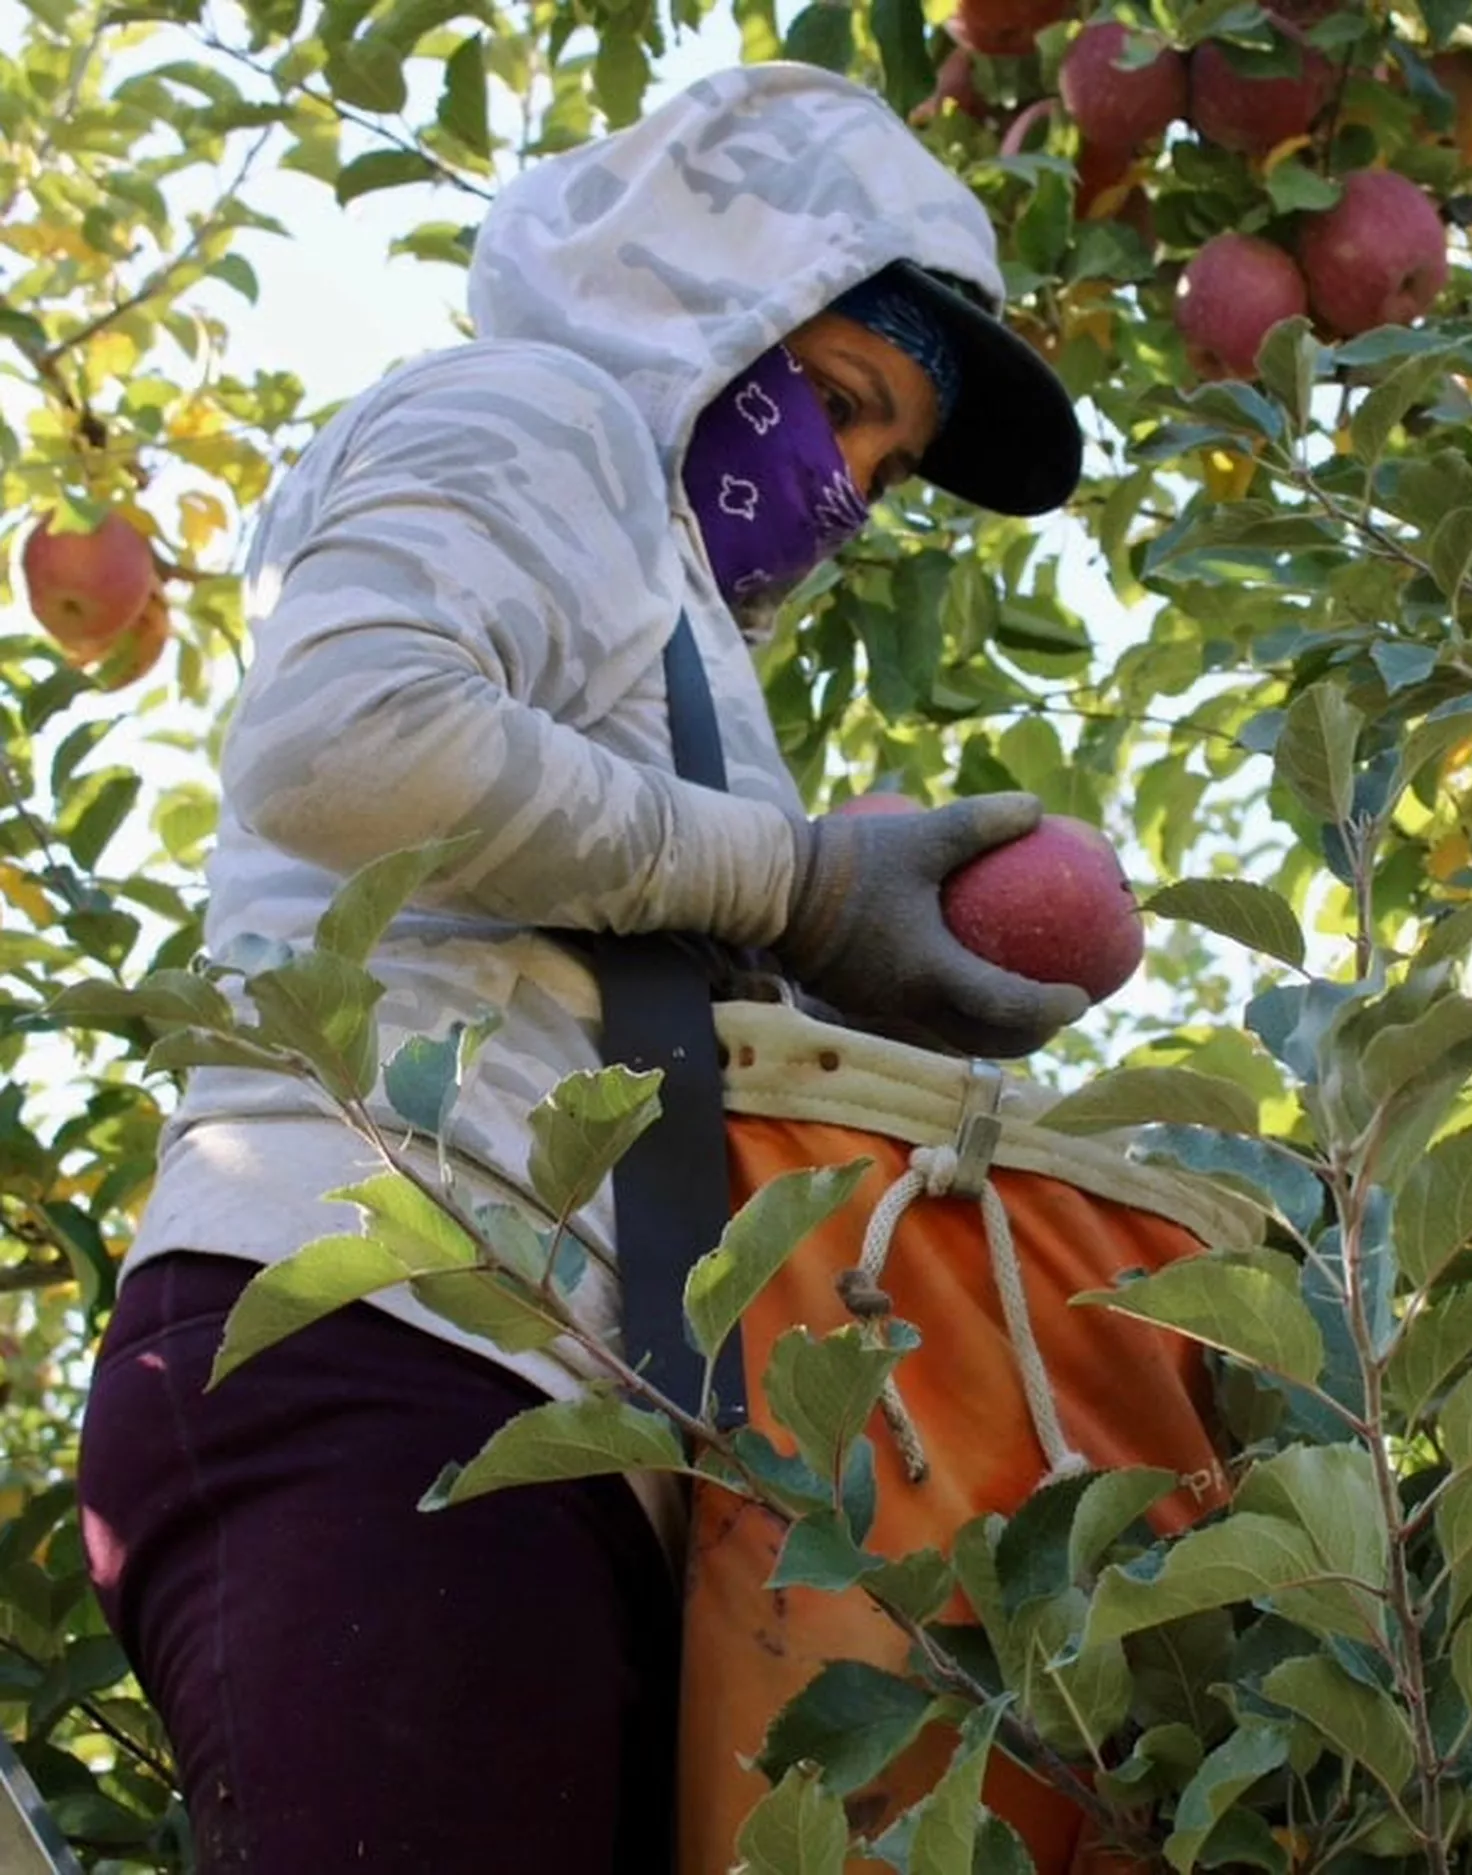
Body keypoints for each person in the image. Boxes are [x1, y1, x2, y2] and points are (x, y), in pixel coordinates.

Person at [76, 64, 1093, 1873]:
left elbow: (623, 964)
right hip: (377, 1324)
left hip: (556, 1409)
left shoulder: (685, 644)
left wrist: (842, 989)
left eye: (889, 465)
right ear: (706, 303)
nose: (850, 490)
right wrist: (790, 878)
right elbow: (348, 739)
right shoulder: (535, 411)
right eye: (844, 404)